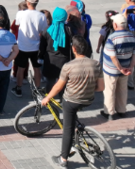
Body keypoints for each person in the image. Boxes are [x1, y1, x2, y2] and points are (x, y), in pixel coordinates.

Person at [43, 37, 102, 168]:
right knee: (73, 118)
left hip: (71, 101)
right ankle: (76, 134)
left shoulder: (68, 66)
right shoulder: (96, 64)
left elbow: (58, 86)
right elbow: (101, 88)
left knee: (67, 130)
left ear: (73, 49)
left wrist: (47, 98)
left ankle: (63, 159)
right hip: (88, 100)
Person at [101, 13, 135, 120]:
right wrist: (131, 67)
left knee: (109, 90)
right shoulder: (132, 37)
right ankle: (122, 110)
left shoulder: (112, 38)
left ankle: (110, 113)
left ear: (115, 25)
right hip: (126, 69)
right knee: (122, 90)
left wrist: (119, 68)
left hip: (111, 70)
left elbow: (113, 57)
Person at [12, 0, 46, 96]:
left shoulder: (21, 14)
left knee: (21, 68)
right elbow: (43, 30)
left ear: (28, 2)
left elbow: (17, 24)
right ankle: (37, 89)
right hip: (36, 46)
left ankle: (18, 89)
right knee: (37, 68)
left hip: (22, 46)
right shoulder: (41, 16)